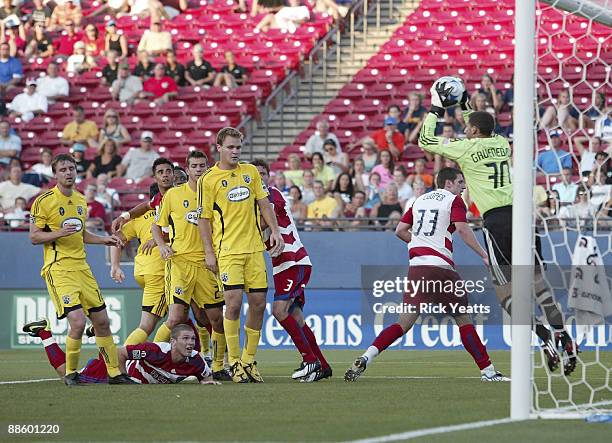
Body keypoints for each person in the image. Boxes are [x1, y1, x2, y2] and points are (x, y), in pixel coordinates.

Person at [419, 78, 576, 374]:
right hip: (522, 217)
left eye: (468, 128)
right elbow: (478, 123)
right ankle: (564, 337)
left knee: (505, 294)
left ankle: (543, 338)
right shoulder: (501, 143)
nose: (465, 129)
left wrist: (437, 107)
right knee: (539, 285)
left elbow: (425, 142)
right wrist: (465, 102)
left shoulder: (465, 148)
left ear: (474, 132)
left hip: (496, 221)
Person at [344, 168, 509, 382]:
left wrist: (420, 244)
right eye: (460, 182)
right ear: (448, 183)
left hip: (417, 267)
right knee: (463, 319)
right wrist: (484, 256)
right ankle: (488, 372)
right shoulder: (453, 200)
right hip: (441, 268)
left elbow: (400, 230)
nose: (464, 187)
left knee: (402, 323)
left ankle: (367, 357)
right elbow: (463, 230)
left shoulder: (418, 201)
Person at [28, 153, 132, 385]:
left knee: (103, 322)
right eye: (63, 169)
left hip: (82, 268)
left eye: (71, 168)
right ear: (55, 174)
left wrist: (104, 240)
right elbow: (34, 237)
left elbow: (81, 234)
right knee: (77, 321)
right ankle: (71, 374)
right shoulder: (43, 201)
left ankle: (114, 372)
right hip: (58, 268)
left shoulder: (81, 200)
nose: (68, 172)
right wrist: (59, 233)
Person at [197, 127, 284, 383]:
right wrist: (208, 252)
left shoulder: (250, 173)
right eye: (231, 147)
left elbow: (264, 204)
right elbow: (203, 219)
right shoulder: (208, 179)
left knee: (258, 305)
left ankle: (249, 360)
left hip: (255, 249)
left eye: (239, 147)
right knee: (233, 305)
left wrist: (275, 232)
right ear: (220, 148)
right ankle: (233, 361)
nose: (235, 151)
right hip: (228, 252)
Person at [252, 159, 331, 381]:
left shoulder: (272, 194)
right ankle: (322, 365)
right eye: (255, 174)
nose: (259, 178)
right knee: (296, 316)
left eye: (262, 173)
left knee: (279, 310)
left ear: (268, 176)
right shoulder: (253, 199)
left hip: (293, 260)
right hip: (281, 265)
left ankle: (309, 360)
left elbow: (263, 222)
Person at [153, 150, 230, 381]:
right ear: (187, 170)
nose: (198, 169)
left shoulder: (216, 194)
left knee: (215, 318)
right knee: (175, 318)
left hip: (208, 264)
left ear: (207, 168)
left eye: (202, 166)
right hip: (181, 263)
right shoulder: (174, 195)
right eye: (194, 166)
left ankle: (218, 365)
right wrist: (161, 246)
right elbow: (157, 226)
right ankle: (152, 360)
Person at [22, 321, 220, 384]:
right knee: (66, 374)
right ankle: (44, 332)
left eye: (192, 340)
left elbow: (207, 379)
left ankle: (97, 332)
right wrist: (123, 378)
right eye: (185, 339)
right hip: (114, 367)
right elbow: (120, 353)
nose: (190, 343)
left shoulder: (196, 361)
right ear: (173, 341)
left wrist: (209, 383)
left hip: (124, 360)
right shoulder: (156, 351)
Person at [110, 158, 174, 345]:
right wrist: (159, 241)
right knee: (153, 324)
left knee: (179, 315)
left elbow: (117, 239)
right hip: (159, 269)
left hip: (142, 270)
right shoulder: (171, 206)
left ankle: (178, 358)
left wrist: (115, 266)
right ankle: (126, 357)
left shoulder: (138, 219)